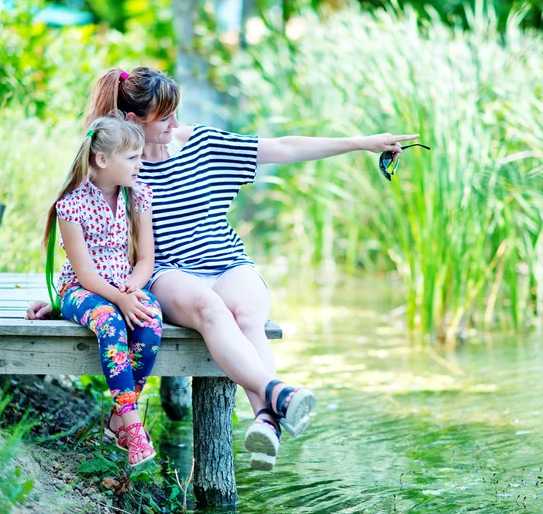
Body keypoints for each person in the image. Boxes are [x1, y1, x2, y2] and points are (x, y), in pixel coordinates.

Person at [28, 66, 419, 471]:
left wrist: (362, 143)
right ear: (132, 120)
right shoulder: (119, 164)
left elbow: (282, 148)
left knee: (248, 314)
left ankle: (267, 421)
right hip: (168, 272)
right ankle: (277, 393)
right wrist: (63, 301)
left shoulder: (204, 144)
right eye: (164, 118)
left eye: (175, 113)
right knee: (211, 309)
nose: (175, 124)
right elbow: (89, 234)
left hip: (227, 261)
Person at [42, 114, 163, 467]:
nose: (140, 165)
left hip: (123, 285)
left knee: (151, 319)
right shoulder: (71, 206)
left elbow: (146, 260)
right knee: (110, 322)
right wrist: (119, 298)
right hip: (82, 290)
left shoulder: (137, 197)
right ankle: (133, 425)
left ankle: (116, 419)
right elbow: (85, 274)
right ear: (102, 160)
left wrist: (133, 290)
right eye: (133, 158)